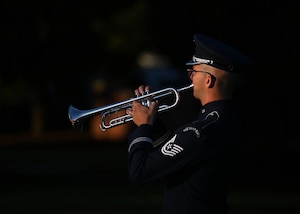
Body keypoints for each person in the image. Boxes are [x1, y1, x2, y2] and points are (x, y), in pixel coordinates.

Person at [126, 33, 252, 214]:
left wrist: (143, 127)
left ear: (208, 80)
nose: (190, 76)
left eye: (194, 71)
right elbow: (178, 155)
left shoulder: (200, 132)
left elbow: (139, 172)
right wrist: (152, 121)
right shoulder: (221, 121)